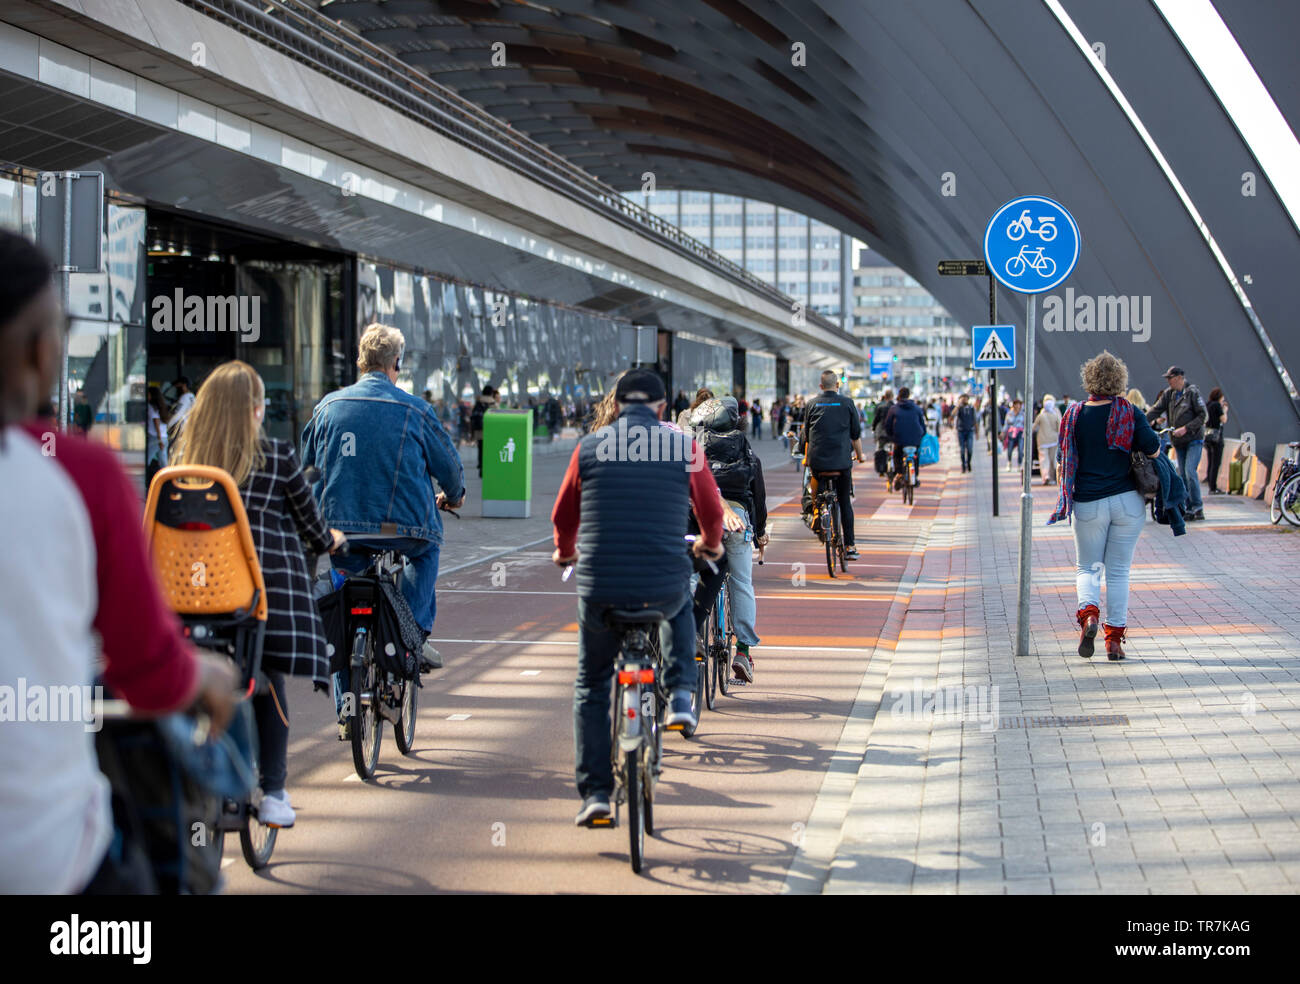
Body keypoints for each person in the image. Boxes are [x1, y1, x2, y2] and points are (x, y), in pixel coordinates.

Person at [0, 229, 235, 893]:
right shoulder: (79, 475)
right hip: (45, 856)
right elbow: (148, 673)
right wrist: (206, 674)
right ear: (41, 350)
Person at [550, 369, 724, 826]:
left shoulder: (589, 447)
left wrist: (565, 551)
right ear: (663, 408)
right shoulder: (684, 447)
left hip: (601, 587)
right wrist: (710, 543)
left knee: (591, 686)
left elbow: (564, 514)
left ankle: (596, 794)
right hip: (661, 584)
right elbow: (710, 509)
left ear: (617, 405)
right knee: (680, 602)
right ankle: (681, 695)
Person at [174, 360, 344, 827]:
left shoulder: (184, 461)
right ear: (255, 409)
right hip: (251, 600)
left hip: (191, 594)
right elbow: (312, 528)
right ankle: (273, 793)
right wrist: (333, 540)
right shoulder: (276, 457)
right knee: (268, 678)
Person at [301, 323, 466, 679]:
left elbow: (307, 469)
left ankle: (346, 701)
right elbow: (449, 469)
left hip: (342, 529)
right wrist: (454, 497)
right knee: (425, 551)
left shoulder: (328, 407)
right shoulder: (416, 410)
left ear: (361, 362)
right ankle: (410, 635)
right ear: (396, 364)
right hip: (402, 528)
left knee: (344, 616)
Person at [1048, 351, 1160, 661]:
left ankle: (1089, 616)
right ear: (1119, 380)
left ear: (1089, 379)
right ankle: (1114, 642)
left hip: (1088, 502)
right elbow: (1153, 449)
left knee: (1088, 567)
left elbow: (1062, 460)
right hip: (1127, 502)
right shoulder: (1130, 412)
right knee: (1119, 572)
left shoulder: (1073, 415)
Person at [690, 396, 768, 683]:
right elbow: (758, 498)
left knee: (692, 573)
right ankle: (743, 652)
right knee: (742, 581)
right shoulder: (747, 451)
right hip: (738, 519)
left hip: (702, 518)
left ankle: (691, 631)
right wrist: (760, 533)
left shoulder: (695, 447)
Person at [799, 370, 866, 559]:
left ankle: (817, 510)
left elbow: (806, 436)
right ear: (837, 385)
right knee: (844, 502)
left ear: (821, 386)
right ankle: (850, 546)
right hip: (841, 462)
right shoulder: (847, 403)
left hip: (818, 461)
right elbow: (855, 435)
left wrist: (807, 458)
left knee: (816, 481)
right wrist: (860, 456)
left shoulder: (811, 404)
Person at [1145, 366, 1208, 521]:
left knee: (1190, 471)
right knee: (1182, 475)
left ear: (1180, 377)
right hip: (1179, 442)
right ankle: (1188, 507)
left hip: (1194, 439)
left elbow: (1203, 416)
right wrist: (1139, 422)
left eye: (1170, 378)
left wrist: (1186, 428)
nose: (1168, 381)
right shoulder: (1169, 394)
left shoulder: (1192, 393)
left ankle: (1197, 507)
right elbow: (1155, 410)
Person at [883, 386, 927, 488]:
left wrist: (891, 437)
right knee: (915, 455)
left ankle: (899, 474)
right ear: (908, 395)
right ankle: (915, 476)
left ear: (899, 395)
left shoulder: (893, 409)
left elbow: (888, 425)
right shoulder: (917, 408)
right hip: (915, 439)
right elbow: (923, 426)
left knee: (897, 455)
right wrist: (921, 435)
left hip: (899, 439)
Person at [1033, 394, 1062, 485]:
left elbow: (1034, 427)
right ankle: (1053, 478)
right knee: (1053, 460)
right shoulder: (1056, 414)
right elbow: (1060, 427)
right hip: (1054, 440)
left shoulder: (1041, 414)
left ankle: (1045, 476)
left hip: (1042, 441)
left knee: (1043, 460)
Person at [145, 384, 170, 487]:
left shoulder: (151, 407)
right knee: (163, 462)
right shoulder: (161, 407)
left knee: (146, 460)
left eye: (148, 394)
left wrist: (159, 440)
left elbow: (156, 424)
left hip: (156, 438)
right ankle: (168, 482)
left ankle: (147, 482)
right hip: (164, 437)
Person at [1204, 387, 1228, 495]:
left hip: (1207, 436)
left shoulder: (1208, 404)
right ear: (1219, 397)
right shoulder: (1217, 405)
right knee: (1216, 463)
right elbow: (1223, 419)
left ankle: (1210, 484)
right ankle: (1213, 487)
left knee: (1210, 461)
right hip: (1216, 437)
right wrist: (1225, 411)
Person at [470, 385, 497, 476]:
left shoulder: (478, 402)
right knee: (489, 449)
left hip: (479, 430)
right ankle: (488, 467)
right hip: (490, 430)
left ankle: (481, 467)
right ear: (491, 393)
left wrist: (472, 432)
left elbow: (473, 417)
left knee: (481, 449)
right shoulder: (493, 403)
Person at [1002, 398, 1026, 471]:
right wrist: (1003, 432)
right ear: (1014, 405)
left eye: (1019, 404)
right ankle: (1009, 463)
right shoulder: (1009, 413)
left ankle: (1019, 464)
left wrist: (1025, 433)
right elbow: (1006, 424)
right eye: (1016, 404)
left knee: (1020, 449)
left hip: (1020, 433)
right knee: (1009, 449)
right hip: (1011, 433)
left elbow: (1025, 424)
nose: (1018, 406)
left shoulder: (1023, 414)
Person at [955, 393, 976, 472]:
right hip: (961, 431)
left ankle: (968, 462)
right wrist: (958, 406)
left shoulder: (971, 408)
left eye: (965, 398)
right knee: (962, 449)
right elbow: (952, 415)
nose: (964, 400)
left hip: (970, 430)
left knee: (970, 448)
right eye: (963, 399)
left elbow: (974, 419)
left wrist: (977, 431)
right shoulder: (959, 408)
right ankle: (963, 465)